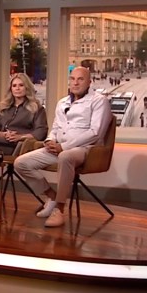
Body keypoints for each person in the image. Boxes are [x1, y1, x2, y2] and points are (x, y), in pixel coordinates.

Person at [14, 66, 112, 228]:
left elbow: (95, 133)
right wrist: (50, 141)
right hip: (58, 148)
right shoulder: (62, 102)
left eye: (80, 79)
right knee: (21, 163)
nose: (75, 83)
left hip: (85, 149)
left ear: (89, 82)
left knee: (65, 156)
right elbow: (55, 128)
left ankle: (59, 210)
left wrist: (64, 147)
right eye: (72, 79)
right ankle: (51, 196)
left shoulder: (99, 101)